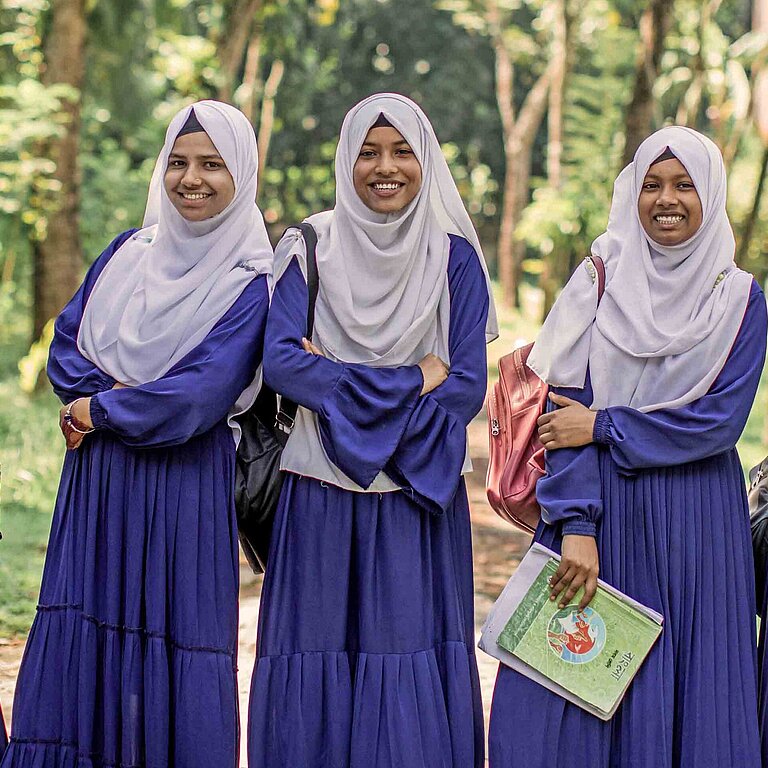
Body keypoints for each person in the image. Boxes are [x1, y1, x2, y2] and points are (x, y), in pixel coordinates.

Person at [1, 100, 273, 767]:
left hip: (184, 490)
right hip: (98, 488)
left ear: (242, 175)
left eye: (213, 164)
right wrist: (112, 400)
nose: (191, 179)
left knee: (169, 639)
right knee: (84, 634)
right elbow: (67, 347)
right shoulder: (126, 253)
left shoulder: (250, 283)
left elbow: (199, 397)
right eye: (178, 162)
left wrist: (98, 413)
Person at [488, 126, 766, 767]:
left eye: (684, 185)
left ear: (711, 195)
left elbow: (717, 424)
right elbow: (563, 414)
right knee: (563, 692)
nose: (666, 200)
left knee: (687, 693)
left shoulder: (740, 301)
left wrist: (606, 426)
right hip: (603, 517)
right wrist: (576, 526)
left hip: (699, 523)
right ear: (631, 194)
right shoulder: (599, 280)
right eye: (651, 184)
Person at [247, 93, 498, 768]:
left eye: (402, 151)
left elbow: (469, 386)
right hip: (320, 491)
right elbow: (284, 364)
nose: (384, 168)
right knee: (317, 648)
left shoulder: (453, 260)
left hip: (415, 496)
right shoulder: (310, 245)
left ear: (426, 160)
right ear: (345, 158)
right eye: (368, 151)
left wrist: (344, 387)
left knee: (404, 650)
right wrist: (416, 377)